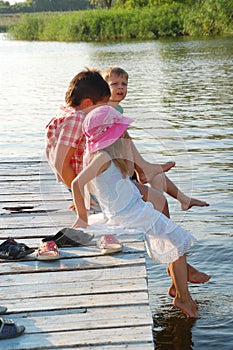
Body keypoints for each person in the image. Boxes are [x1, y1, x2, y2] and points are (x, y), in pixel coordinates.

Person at [45, 68, 210, 285]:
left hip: (99, 177)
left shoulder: (68, 112)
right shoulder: (77, 118)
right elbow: (60, 164)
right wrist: (85, 202)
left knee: (156, 198)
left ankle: (176, 263)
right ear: (87, 103)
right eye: (101, 105)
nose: (103, 109)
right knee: (157, 202)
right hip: (98, 187)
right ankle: (176, 266)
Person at [71, 104, 208, 318]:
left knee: (169, 227)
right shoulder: (103, 158)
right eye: (121, 132)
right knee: (177, 240)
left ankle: (177, 286)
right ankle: (183, 298)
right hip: (129, 214)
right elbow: (77, 183)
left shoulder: (102, 156)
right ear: (112, 136)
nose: (125, 134)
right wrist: (81, 217)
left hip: (128, 209)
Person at [102, 66, 209, 211]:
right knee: (154, 175)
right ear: (103, 88)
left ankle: (182, 200)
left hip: (128, 162)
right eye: (114, 84)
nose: (120, 88)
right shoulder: (106, 111)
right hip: (117, 167)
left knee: (157, 176)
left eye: (124, 84)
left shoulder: (118, 109)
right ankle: (150, 188)